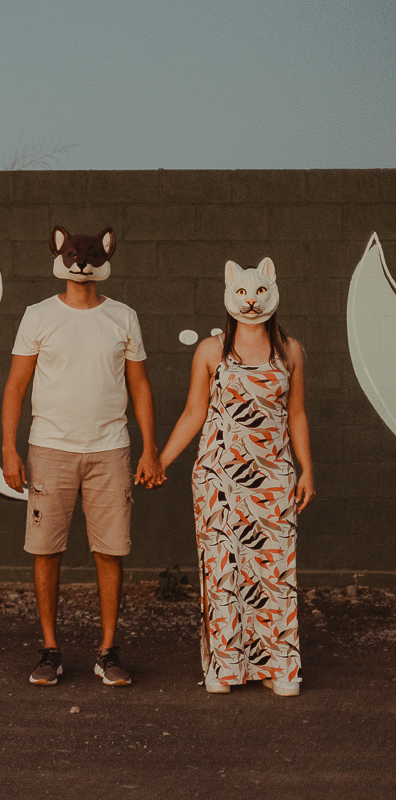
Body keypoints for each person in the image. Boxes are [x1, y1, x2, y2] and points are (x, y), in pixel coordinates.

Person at [2, 226, 163, 688]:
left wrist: (150, 448)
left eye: (91, 255)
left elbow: (140, 386)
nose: (82, 263)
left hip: (110, 451)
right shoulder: (37, 316)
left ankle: (107, 651)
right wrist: (11, 449)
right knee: (46, 549)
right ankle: (50, 651)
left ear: (105, 257)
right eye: (74, 255)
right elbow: (16, 386)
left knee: (110, 551)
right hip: (49, 449)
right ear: (60, 254)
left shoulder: (123, 317)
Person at [157, 258, 313, 696]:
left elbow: (296, 414)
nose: (250, 300)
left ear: (272, 290)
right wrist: (161, 461)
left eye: (258, 291)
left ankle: (279, 668)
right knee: (223, 571)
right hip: (218, 480)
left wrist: (307, 470)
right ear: (230, 293)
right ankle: (225, 667)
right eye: (242, 292)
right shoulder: (211, 351)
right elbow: (194, 413)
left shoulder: (291, 351)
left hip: (274, 477)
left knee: (274, 572)